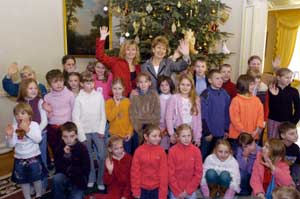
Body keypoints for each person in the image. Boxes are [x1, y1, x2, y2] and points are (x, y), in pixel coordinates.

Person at [72, 72, 106, 190]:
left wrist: (102, 130)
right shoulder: (78, 99)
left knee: (102, 155)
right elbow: (76, 118)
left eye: (92, 82)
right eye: (87, 83)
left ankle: (100, 178)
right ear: (81, 84)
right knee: (88, 156)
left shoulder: (99, 96)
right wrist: (81, 136)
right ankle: (91, 177)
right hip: (85, 131)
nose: (90, 85)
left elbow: (103, 114)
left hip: (97, 130)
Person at [5, 103, 44, 199]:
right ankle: (27, 197)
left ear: (29, 115)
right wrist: (9, 136)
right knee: (23, 180)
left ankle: (39, 194)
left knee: (36, 178)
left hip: (34, 157)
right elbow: (11, 145)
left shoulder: (34, 125)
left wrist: (27, 130)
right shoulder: (14, 127)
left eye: (23, 113)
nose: (19, 116)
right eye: (17, 114)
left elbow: (38, 140)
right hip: (19, 159)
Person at [17, 79, 48, 192]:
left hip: (41, 135)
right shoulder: (19, 104)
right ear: (24, 89)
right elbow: (17, 121)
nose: (34, 90)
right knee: (28, 161)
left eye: (35, 88)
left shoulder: (40, 101)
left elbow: (44, 120)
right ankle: (32, 185)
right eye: (31, 88)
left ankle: (43, 184)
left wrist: (35, 132)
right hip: (25, 138)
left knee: (41, 160)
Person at [96, 26, 141, 96]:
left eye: (133, 49)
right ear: (124, 51)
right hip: (119, 98)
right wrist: (102, 38)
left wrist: (135, 91)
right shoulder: (116, 62)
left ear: (136, 52)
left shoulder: (137, 66)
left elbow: (137, 84)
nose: (131, 52)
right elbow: (100, 56)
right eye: (128, 49)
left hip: (134, 99)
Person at [52, 122, 90, 199]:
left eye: (71, 136)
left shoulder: (82, 148)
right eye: (65, 137)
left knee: (76, 197)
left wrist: (71, 168)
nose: (68, 139)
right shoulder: (59, 148)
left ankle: (77, 192)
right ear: (62, 137)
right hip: (65, 176)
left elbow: (86, 169)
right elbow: (58, 167)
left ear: (76, 136)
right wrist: (66, 156)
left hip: (78, 180)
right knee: (56, 178)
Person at [43, 69, 75, 159]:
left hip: (66, 127)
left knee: (68, 150)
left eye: (60, 81)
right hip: (52, 128)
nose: (59, 84)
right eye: (55, 82)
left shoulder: (70, 94)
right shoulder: (47, 97)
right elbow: (46, 116)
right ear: (49, 84)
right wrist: (48, 112)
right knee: (56, 150)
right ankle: (59, 169)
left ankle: (70, 170)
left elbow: (74, 111)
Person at [228, 74, 264, 151]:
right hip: (238, 137)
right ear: (244, 85)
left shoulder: (257, 100)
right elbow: (235, 120)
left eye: (254, 84)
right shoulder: (236, 100)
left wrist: (257, 131)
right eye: (251, 84)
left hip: (253, 136)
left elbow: (260, 117)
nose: (254, 86)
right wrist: (244, 132)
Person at [131, 124, 168, 199]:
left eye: (159, 136)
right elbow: (135, 172)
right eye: (154, 136)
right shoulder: (139, 151)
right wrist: (135, 191)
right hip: (142, 189)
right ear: (146, 137)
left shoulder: (161, 151)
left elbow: (164, 174)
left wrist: (163, 194)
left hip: (157, 189)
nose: (158, 138)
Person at [200, 69, 230, 159]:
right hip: (208, 134)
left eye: (221, 78)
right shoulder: (205, 94)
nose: (220, 80)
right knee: (204, 155)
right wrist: (206, 132)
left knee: (218, 156)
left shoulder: (224, 94)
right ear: (210, 80)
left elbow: (227, 113)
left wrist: (226, 129)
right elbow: (202, 115)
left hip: (221, 133)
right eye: (217, 78)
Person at [166, 73, 201, 147]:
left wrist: (197, 137)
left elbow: (198, 120)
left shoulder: (196, 99)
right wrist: (171, 134)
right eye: (183, 84)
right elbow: (168, 117)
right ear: (178, 85)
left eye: (188, 85)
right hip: (177, 133)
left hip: (190, 134)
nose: (185, 87)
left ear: (191, 87)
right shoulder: (174, 98)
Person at [168, 124, 202, 199]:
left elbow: (198, 173)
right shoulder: (172, 151)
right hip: (175, 189)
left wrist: (188, 191)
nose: (187, 139)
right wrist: (177, 191)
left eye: (189, 135)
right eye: (183, 136)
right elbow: (170, 174)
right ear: (178, 137)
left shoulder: (196, 151)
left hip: (190, 189)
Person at [106, 78, 137, 154]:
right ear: (111, 89)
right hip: (114, 136)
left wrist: (130, 132)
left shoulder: (128, 102)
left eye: (119, 88)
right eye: (114, 88)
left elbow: (131, 119)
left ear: (123, 89)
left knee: (126, 156)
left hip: (126, 136)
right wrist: (117, 105)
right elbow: (109, 118)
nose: (117, 91)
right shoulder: (108, 102)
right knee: (115, 156)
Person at [268, 68, 300, 138]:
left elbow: (298, 108)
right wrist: (274, 95)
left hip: (288, 121)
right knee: (273, 142)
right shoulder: (271, 89)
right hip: (273, 121)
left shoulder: (294, 91)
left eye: (290, 77)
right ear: (278, 78)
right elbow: (270, 106)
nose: (289, 80)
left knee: (285, 142)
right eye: (286, 78)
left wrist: (293, 122)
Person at [129, 72, 160, 143]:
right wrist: (137, 126)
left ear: (150, 83)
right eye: (141, 82)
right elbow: (132, 113)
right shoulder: (134, 95)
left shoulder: (154, 95)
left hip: (151, 127)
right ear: (137, 84)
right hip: (138, 128)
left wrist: (152, 125)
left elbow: (157, 112)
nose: (143, 84)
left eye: (146, 81)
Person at [278, 122, 300, 189]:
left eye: (296, 132)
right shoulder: (277, 147)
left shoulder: (296, 148)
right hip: (278, 172)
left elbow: (298, 162)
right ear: (283, 136)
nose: (296, 135)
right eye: (292, 134)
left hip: (291, 172)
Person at [157, 75, 175, 150]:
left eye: (166, 85)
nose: (164, 87)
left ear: (170, 85)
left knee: (172, 148)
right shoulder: (157, 98)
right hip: (160, 128)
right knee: (162, 148)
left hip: (172, 127)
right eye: (162, 85)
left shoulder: (174, 97)